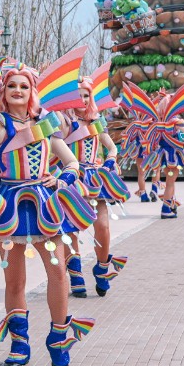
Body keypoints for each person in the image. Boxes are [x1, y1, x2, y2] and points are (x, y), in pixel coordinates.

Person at [0, 32, 99, 366]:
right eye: (11, 86)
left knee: (58, 273)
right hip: (8, 209)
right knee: (13, 280)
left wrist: (61, 179)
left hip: (46, 207)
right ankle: (19, 343)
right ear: (3, 92)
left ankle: (58, 338)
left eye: (23, 86)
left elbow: (72, 162)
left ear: (32, 91)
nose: (17, 91)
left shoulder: (46, 125)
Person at [62, 71, 131, 299]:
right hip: (71, 178)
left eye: (85, 96)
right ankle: (75, 273)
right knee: (71, 228)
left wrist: (111, 159)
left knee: (102, 225)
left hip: (94, 178)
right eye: (78, 95)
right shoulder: (64, 121)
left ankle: (102, 267)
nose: (82, 100)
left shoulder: (97, 120)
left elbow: (111, 147)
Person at [126, 81, 184, 219]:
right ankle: (166, 208)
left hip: (161, 156)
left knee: (168, 180)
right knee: (171, 182)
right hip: (173, 156)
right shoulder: (175, 121)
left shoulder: (157, 122)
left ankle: (171, 205)